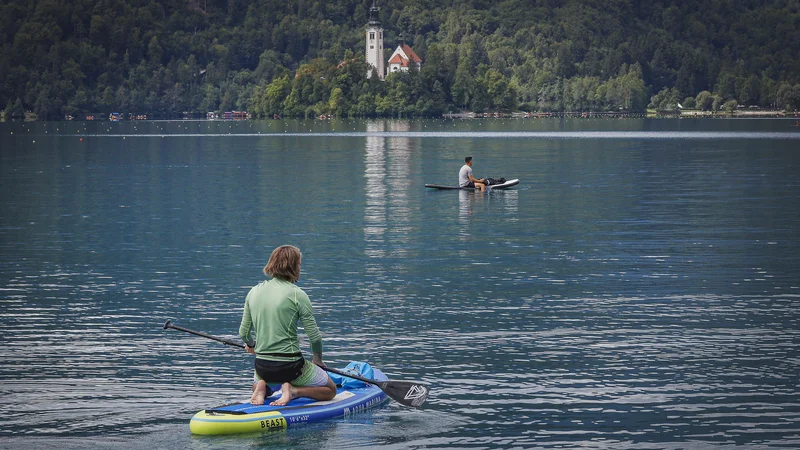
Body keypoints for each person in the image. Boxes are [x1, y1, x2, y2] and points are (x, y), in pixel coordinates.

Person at [239, 245, 337, 406]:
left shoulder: (253, 291)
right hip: (291, 366)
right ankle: (293, 391)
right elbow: (315, 338)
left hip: (262, 365)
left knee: (263, 378)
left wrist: (251, 345)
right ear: (293, 267)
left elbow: (243, 333)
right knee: (331, 390)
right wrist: (317, 360)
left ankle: (261, 388)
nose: (300, 269)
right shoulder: (297, 294)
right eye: (299, 265)